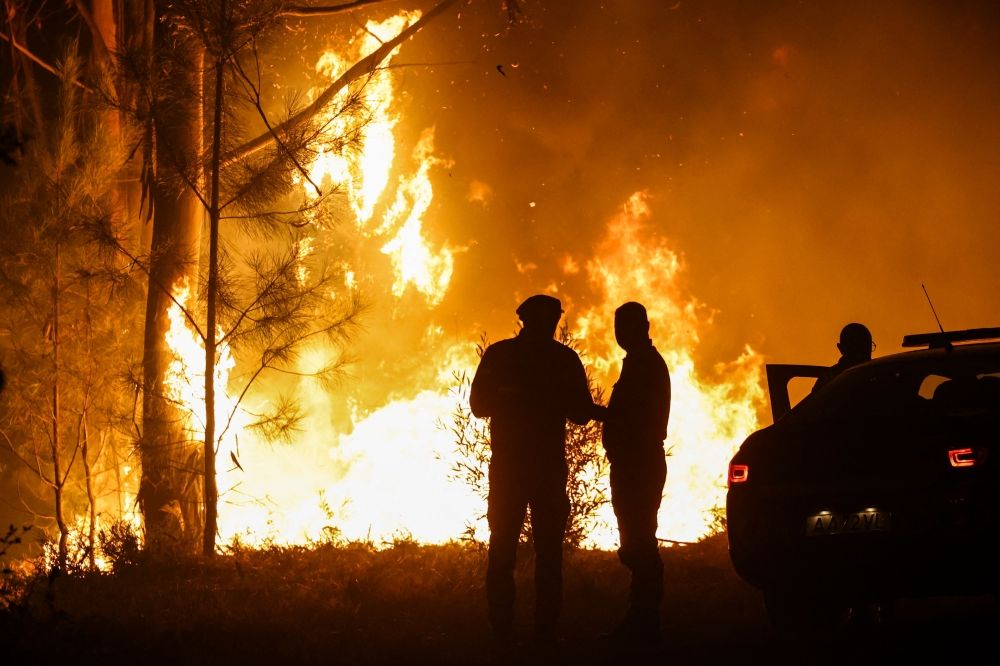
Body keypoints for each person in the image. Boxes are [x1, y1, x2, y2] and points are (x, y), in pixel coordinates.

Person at [469, 294, 599, 648]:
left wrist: (513, 398)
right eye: (550, 319)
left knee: (507, 551)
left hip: (514, 469)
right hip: (540, 470)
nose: (551, 325)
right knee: (544, 553)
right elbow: (581, 413)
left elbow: (479, 405)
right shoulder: (562, 359)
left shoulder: (500, 355)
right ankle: (541, 632)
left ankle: (506, 632)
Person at [599, 301, 670, 645]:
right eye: (617, 327)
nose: (619, 334)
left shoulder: (645, 365)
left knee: (640, 543)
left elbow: (635, 418)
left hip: (638, 464)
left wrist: (598, 413)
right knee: (637, 540)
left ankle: (644, 621)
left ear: (643, 327)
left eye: (624, 326)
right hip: (633, 463)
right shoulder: (639, 363)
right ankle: (642, 617)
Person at [812, 322, 874, 393]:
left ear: (840, 348)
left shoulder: (828, 379)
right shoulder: (877, 376)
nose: (859, 354)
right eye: (855, 348)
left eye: (863, 347)